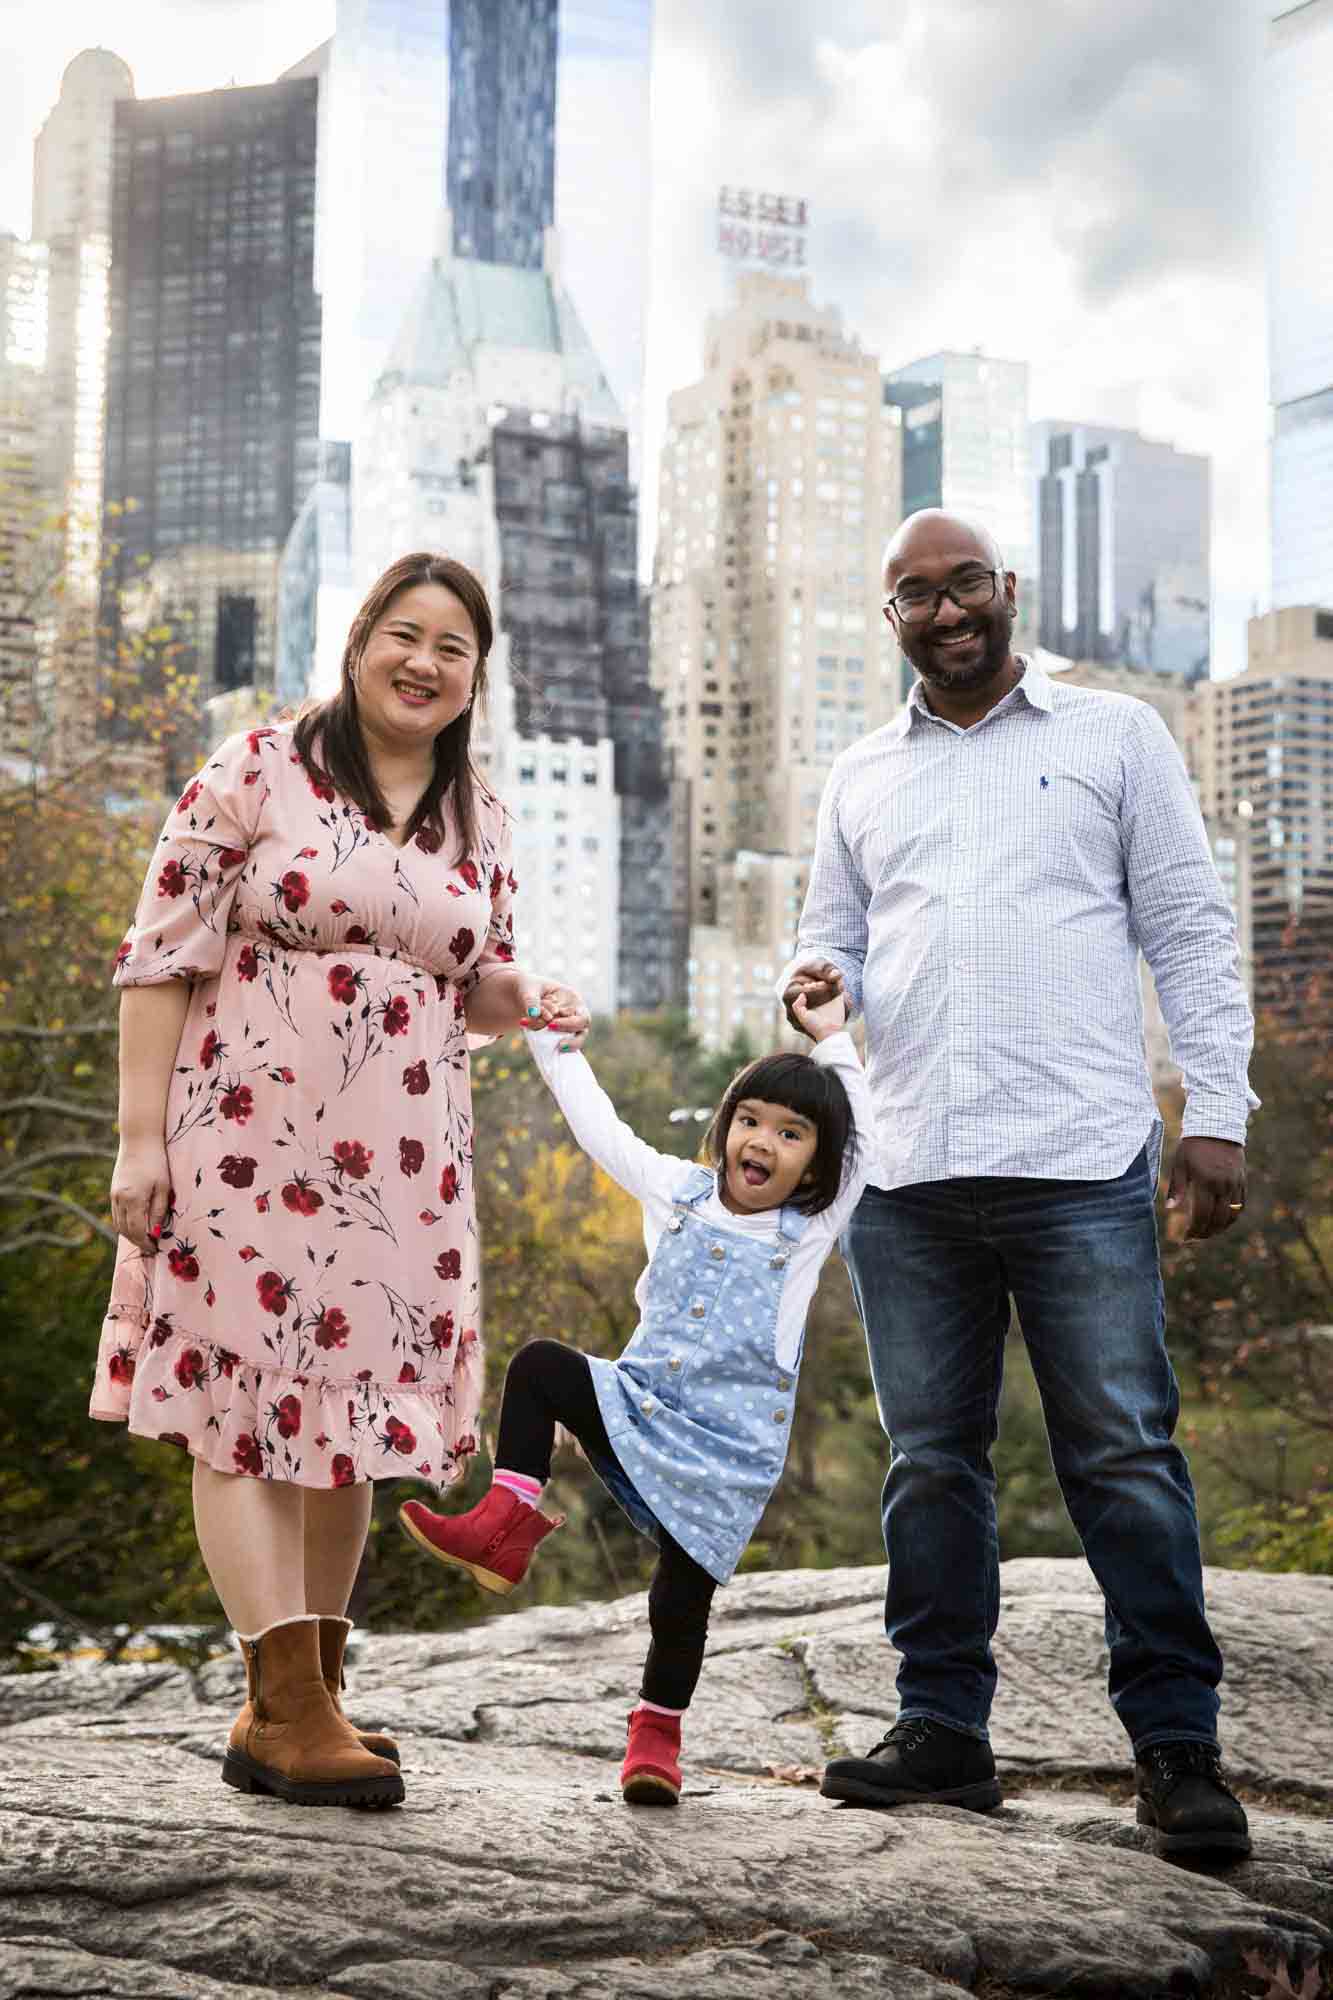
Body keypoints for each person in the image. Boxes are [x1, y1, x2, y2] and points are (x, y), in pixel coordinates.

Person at [781, 508, 1257, 1860]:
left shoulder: (1114, 737)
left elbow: (1188, 929)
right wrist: (816, 984)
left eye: (966, 584)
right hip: (911, 1172)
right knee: (931, 1464)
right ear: (890, 617)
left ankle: (1176, 1752)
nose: (945, 611)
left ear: (1009, 591)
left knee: (1122, 1458)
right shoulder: (861, 772)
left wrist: (1213, 1117)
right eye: (915, 594)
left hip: (1078, 1165)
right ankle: (942, 1729)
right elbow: (834, 938)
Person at [90, 551, 588, 1811]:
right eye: (403, 635)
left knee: (348, 1430)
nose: (424, 663)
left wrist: (521, 996)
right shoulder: (257, 765)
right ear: (360, 639)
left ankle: (310, 1682)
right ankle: (284, 1707)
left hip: (405, 1165)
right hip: (245, 1138)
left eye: (454, 648)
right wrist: (138, 1139)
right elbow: (159, 955)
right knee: (240, 1410)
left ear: (478, 675)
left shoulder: (481, 807)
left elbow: (469, 980)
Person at [398, 988, 872, 1806]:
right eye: (751, 1119)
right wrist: (550, 1040)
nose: (763, 1142)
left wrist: (832, 1041)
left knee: (679, 1599)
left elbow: (867, 1143)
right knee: (542, 1365)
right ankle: (504, 1522)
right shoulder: (676, 1191)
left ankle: (655, 1739)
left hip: (727, 1452)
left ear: (817, 1163)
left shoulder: (810, 1232)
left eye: (791, 1135)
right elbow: (598, 1127)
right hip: (641, 1403)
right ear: (725, 1126)